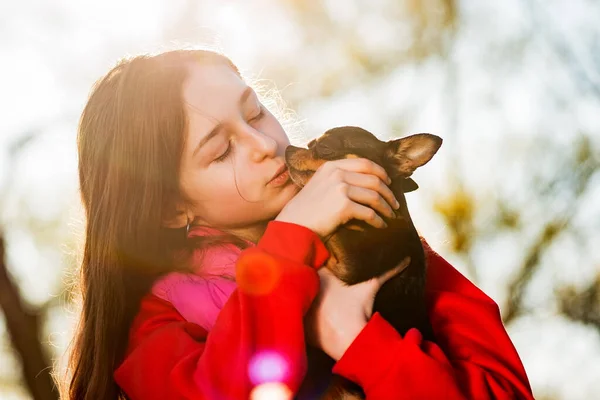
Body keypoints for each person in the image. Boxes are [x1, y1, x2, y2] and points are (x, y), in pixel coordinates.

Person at [64, 48, 534, 400]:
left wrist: (356, 339)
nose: (262, 144)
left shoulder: (386, 242)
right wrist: (292, 240)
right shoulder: (159, 322)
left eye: (255, 113)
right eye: (221, 150)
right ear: (171, 208)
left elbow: (506, 391)